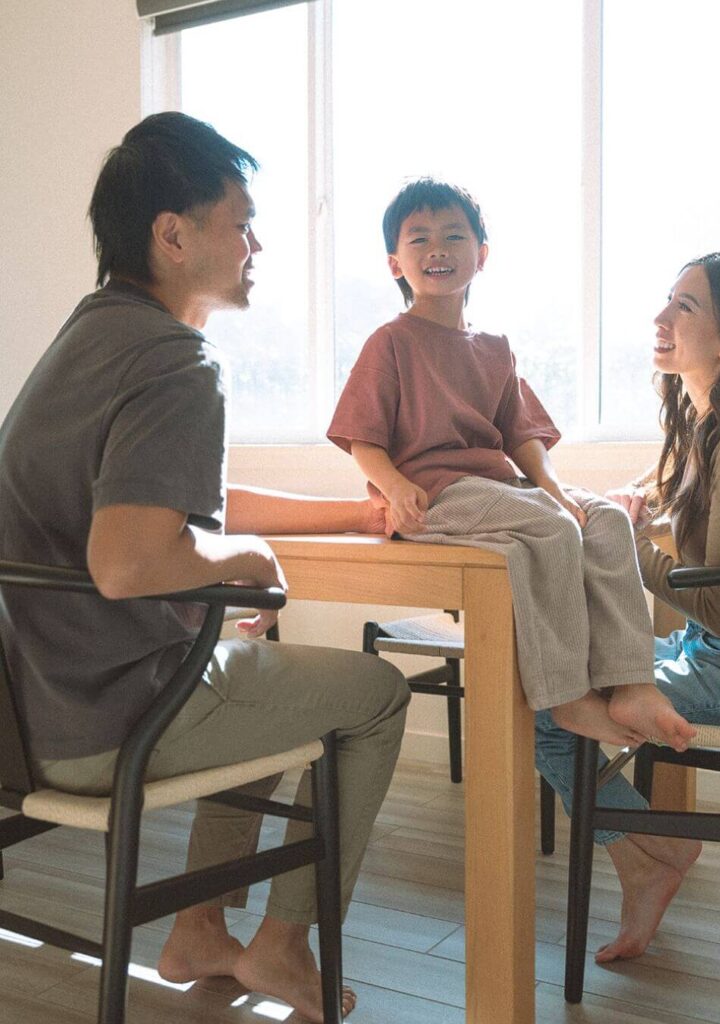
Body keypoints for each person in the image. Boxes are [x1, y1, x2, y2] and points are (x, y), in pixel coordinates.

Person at [0, 112, 411, 1023]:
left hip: (34, 717)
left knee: (266, 677)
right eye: (242, 221)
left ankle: (197, 931)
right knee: (375, 696)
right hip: (116, 724)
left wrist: (345, 512)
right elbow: (127, 559)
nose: (256, 243)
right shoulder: (176, 362)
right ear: (172, 235)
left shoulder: (86, 343)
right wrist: (248, 561)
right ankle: (281, 946)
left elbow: (178, 499)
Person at [327, 176, 696, 751]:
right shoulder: (389, 343)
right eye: (418, 239)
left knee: (602, 517)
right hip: (434, 494)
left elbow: (522, 435)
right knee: (550, 527)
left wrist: (553, 486)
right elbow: (362, 439)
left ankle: (630, 682)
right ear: (395, 264)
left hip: (499, 486)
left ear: (482, 255)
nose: (437, 249)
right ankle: (568, 695)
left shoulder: (494, 347)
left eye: (453, 235)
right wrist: (395, 487)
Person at [536, 251, 720, 964]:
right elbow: (636, 510)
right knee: (546, 684)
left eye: (683, 307)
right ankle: (653, 854)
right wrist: (618, 520)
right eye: (665, 300)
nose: (659, 318)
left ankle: (653, 857)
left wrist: (629, 547)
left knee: (546, 705)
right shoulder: (705, 429)